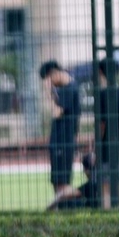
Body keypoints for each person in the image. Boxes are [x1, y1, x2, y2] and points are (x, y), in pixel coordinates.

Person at [39, 60, 81, 200]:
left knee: (62, 181)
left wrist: (48, 92)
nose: (50, 83)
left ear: (53, 74)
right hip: (60, 141)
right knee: (57, 179)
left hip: (64, 141)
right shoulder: (65, 89)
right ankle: (60, 207)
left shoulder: (70, 89)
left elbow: (56, 112)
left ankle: (63, 207)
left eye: (49, 79)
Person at [95, 57, 119, 209]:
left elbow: (101, 125)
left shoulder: (102, 94)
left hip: (107, 146)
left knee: (105, 185)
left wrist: (97, 146)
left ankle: (107, 213)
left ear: (101, 72)